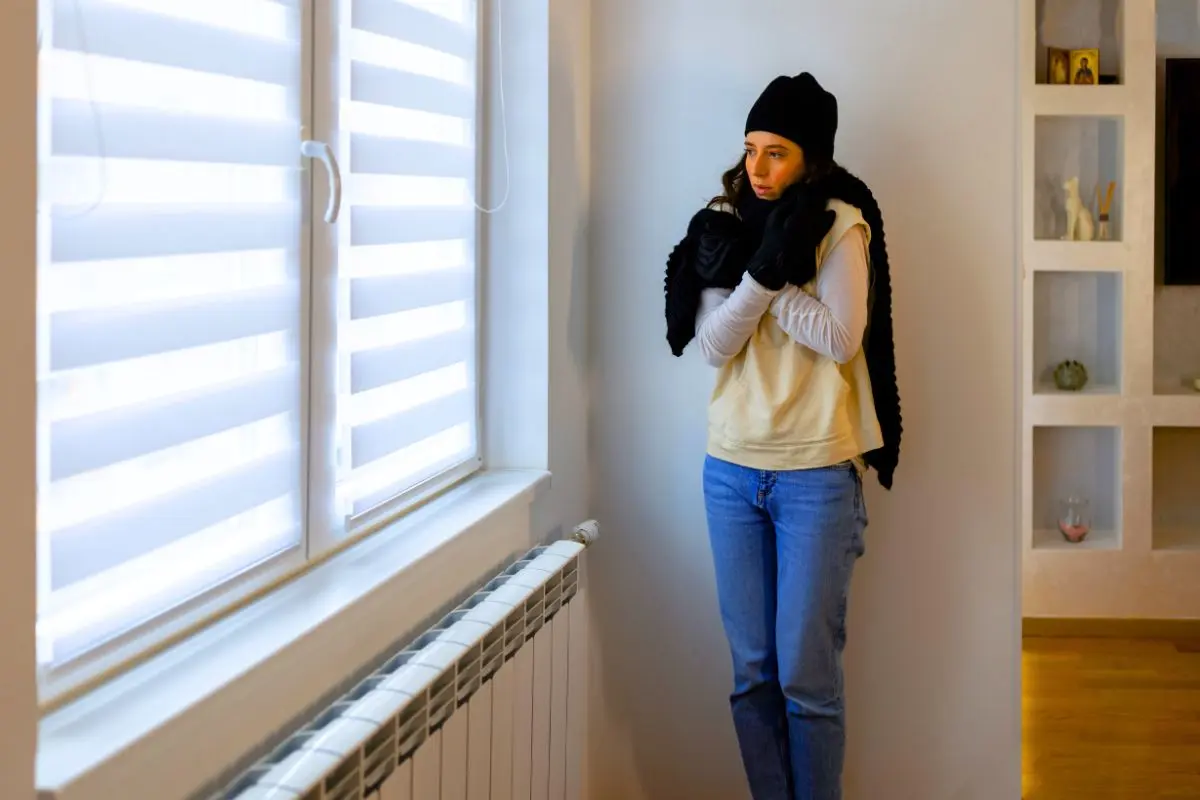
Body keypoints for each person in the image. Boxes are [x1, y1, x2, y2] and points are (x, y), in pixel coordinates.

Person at [664, 72, 899, 799]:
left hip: (817, 475)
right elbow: (712, 345)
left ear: (811, 158)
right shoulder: (721, 222)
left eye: (777, 153)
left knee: (806, 679)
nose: (758, 168)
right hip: (731, 470)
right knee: (753, 674)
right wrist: (761, 273)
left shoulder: (839, 224)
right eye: (751, 150)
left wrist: (765, 282)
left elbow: (841, 337)